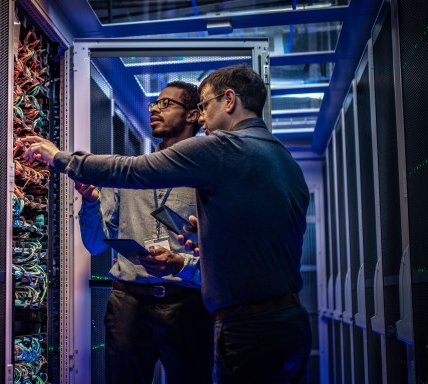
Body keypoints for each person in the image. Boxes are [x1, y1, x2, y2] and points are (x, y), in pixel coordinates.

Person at [23, 64, 312, 384]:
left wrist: (60, 158)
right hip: (282, 320)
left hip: (240, 324)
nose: (203, 118)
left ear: (228, 101)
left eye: (204, 107)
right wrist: (197, 251)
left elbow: (134, 172)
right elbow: (256, 243)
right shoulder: (283, 160)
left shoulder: (225, 149)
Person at [76, 81, 212, 384]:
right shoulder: (129, 172)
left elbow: (222, 249)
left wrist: (178, 261)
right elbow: (96, 245)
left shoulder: (206, 174)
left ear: (192, 115)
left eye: (166, 104)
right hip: (129, 303)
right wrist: (90, 201)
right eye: (154, 104)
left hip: (188, 303)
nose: (154, 109)